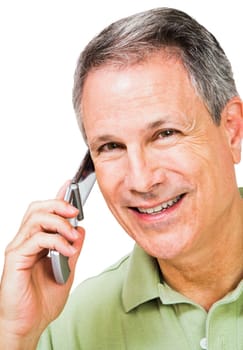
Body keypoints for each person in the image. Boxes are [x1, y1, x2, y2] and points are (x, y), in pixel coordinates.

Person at [1, 7, 243, 349]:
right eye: (111, 146)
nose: (142, 181)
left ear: (231, 131)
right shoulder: (67, 325)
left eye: (165, 134)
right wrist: (15, 336)